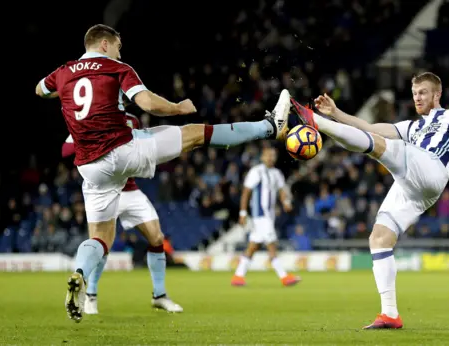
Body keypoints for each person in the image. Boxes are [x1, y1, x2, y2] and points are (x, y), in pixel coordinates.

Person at [35, 24, 292, 322]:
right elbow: (145, 102)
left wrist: (65, 90)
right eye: (118, 46)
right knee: (197, 133)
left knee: (100, 237)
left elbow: (40, 90)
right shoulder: (117, 69)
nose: (120, 52)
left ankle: (79, 274)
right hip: (122, 151)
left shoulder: (64, 71)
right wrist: (177, 107)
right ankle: (270, 127)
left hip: (90, 168)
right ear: (104, 44)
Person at [290, 72, 449, 329]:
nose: (417, 98)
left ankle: (316, 123)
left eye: (422, 92)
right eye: (414, 93)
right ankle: (389, 314)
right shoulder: (412, 127)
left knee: (384, 147)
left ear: (437, 94)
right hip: (412, 186)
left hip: (432, 169)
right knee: (379, 238)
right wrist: (337, 113)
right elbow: (369, 128)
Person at [62, 113, 183, 314]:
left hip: (130, 190)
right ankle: (91, 295)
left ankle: (159, 295)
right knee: (102, 244)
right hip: (105, 189)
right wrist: (83, 136)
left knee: (157, 237)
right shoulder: (90, 118)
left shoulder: (132, 120)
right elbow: (65, 150)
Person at [231, 147, 300, 287]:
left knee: (253, 247)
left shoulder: (276, 173)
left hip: (270, 215)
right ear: (262, 157)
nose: (270, 158)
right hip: (260, 215)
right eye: (268, 155)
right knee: (272, 245)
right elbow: (246, 192)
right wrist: (243, 213)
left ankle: (238, 276)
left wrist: (286, 202)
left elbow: (282, 190)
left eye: (273, 155)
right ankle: (284, 277)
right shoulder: (256, 171)